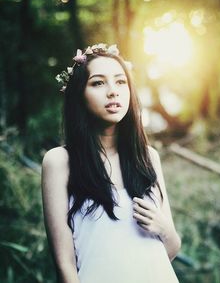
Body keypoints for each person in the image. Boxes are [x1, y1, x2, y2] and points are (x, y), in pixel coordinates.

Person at [41, 43, 181, 283]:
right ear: (79, 94)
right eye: (98, 82)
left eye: (120, 81)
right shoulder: (60, 161)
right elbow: (65, 264)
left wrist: (163, 227)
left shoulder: (148, 157)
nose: (113, 91)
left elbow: (171, 247)